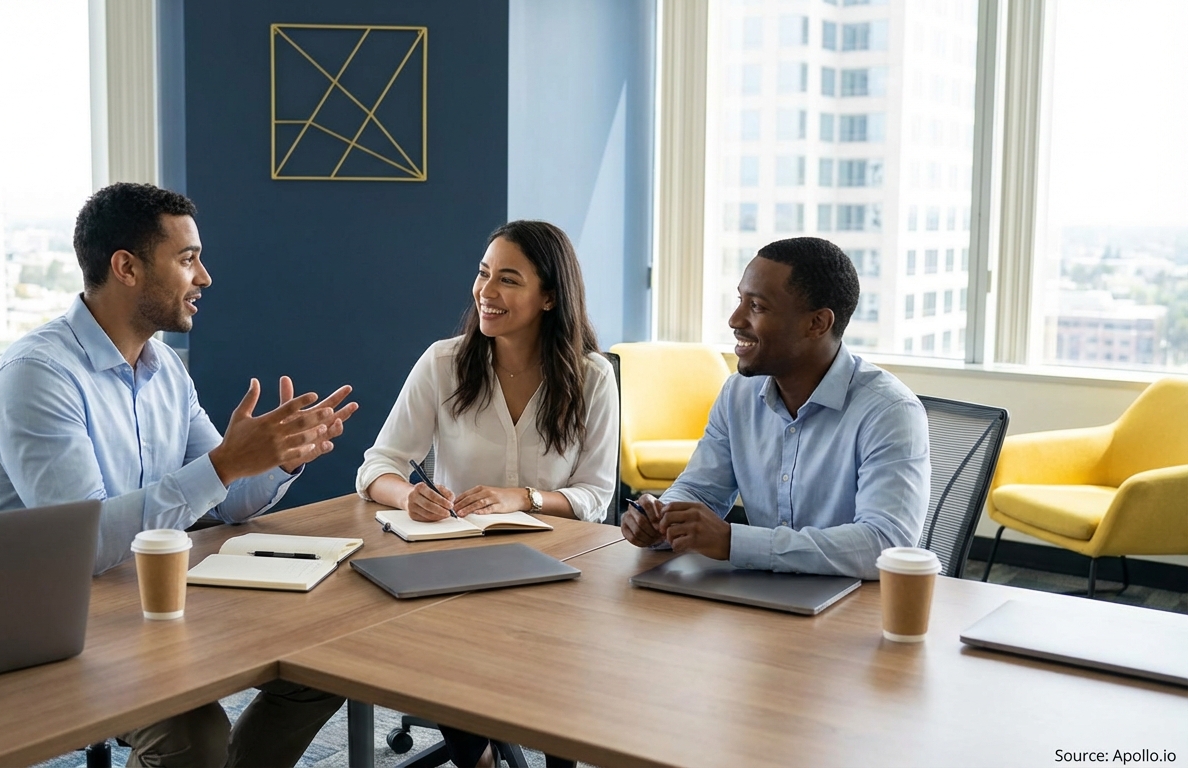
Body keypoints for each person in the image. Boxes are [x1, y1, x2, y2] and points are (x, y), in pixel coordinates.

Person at [0, 182, 356, 768]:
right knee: (192, 736)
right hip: (58, 620)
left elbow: (231, 501)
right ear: (126, 268)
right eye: (186, 260)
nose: (203, 277)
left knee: (330, 661)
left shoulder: (166, 372)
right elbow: (86, 544)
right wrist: (227, 462)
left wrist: (282, 455)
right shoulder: (38, 376)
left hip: (154, 599)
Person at [356, 220, 617, 767]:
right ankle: (476, 754)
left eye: (508, 279)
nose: (486, 292)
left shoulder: (592, 376)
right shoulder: (444, 363)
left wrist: (522, 497)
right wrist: (406, 495)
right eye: (483, 273)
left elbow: (595, 494)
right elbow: (378, 464)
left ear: (549, 297)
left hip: (558, 572)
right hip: (458, 569)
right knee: (451, 662)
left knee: (554, 698)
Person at [620, 236, 930, 580]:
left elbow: (884, 544)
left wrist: (734, 542)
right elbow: (700, 490)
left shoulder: (890, 412)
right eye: (740, 300)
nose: (735, 319)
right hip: (762, 596)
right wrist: (660, 518)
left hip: (853, 609)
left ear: (817, 324)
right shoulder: (739, 392)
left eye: (757, 306)